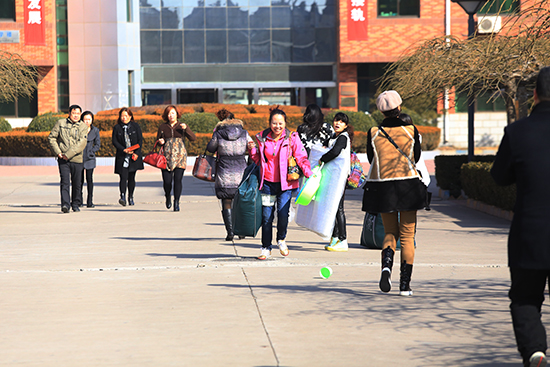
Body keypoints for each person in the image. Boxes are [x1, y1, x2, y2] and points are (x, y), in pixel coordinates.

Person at [491, 66, 550, 367]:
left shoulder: (517, 131)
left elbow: (500, 177)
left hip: (530, 233)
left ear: (536, 94)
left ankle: (535, 351)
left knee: (526, 298)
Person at [362, 90, 426, 296]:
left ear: (381, 111)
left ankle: (386, 268)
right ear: (399, 108)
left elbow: (372, 159)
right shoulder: (410, 130)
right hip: (408, 185)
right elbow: (416, 157)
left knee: (390, 232)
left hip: (383, 187)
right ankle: (405, 286)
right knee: (407, 236)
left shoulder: (373, 132)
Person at [248, 107, 313, 260]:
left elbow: (301, 157)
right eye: (274, 123)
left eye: (280, 123)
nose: (277, 126)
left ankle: (281, 239)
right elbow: (259, 160)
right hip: (268, 184)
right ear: (270, 123)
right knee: (266, 217)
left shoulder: (292, 138)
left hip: (286, 185)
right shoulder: (262, 138)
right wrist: (252, 152)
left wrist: (309, 173)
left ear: (285, 123)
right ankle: (265, 247)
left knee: (283, 215)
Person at [207, 108, 251, 241]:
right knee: (240, 201)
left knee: (226, 200)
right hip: (241, 170)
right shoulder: (244, 133)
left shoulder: (219, 134)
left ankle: (230, 232)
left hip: (224, 170)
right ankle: (241, 231)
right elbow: (251, 147)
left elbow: (210, 148)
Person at [321, 112, 352, 252]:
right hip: (333, 178)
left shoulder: (343, 137)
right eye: (336, 120)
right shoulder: (333, 137)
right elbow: (324, 145)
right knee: (334, 208)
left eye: (341, 121)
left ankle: (343, 240)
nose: (337, 123)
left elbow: (335, 152)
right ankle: (335, 238)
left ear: (345, 125)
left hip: (340, 178)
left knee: (339, 208)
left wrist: (322, 159)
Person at [48, 104, 88, 213]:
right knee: (65, 182)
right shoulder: (60, 123)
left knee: (77, 183)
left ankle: (75, 203)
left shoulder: (83, 126)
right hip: (63, 159)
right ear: (69, 114)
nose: (76, 116)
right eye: (73, 113)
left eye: (78, 113)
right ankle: (65, 205)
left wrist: (68, 154)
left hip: (77, 159)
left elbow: (82, 143)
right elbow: (52, 138)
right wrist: (59, 152)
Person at [156, 105, 196, 212]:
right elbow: (158, 141)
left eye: (173, 113)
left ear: (177, 114)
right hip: (166, 156)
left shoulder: (181, 126)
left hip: (180, 156)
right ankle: (168, 196)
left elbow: (193, 138)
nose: (171, 115)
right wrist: (161, 142)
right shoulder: (162, 127)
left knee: (178, 180)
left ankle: (177, 201)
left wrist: (186, 128)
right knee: (167, 181)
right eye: (169, 113)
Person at [112, 107, 144, 206]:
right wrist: (123, 149)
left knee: (131, 178)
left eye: (126, 116)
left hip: (133, 156)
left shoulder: (135, 126)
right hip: (122, 156)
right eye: (122, 116)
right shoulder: (117, 128)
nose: (124, 118)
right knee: (123, 177)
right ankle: (122, 196)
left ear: (130, 116)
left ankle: (130, 196)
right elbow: (115, 141)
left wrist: (136, 152)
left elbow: (140, 140)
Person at [81, 111, 101, 208]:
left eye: (89, 119)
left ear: (92, 120)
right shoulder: (78, 129)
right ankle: (78, 200)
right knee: (79, 180)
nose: (87, 121)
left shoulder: (95, 130)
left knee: (89, 180)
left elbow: (97, 144)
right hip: (79, 157)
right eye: (85, 119)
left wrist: (92, 151)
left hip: (90, 158)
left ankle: (90, 201)